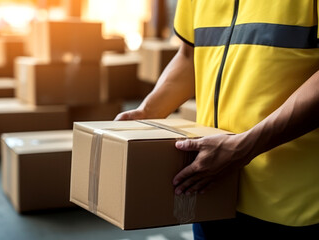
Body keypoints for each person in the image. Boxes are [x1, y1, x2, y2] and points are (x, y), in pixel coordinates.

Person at [116, 0, 319, 239]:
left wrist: (244, 147)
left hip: (291, 203)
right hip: (211, 188)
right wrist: (147, 112)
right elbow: (189, 55)